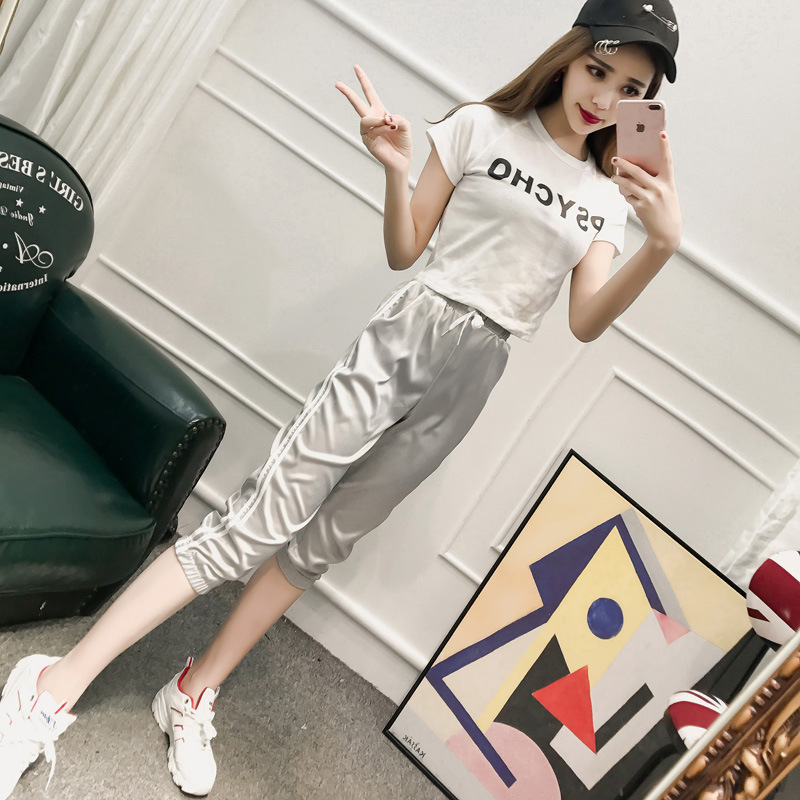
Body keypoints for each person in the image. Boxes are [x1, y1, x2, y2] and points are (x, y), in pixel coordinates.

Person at [0, 0, 681, 796]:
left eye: (631, 90)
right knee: (252, 527)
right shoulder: (481, 128)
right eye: (598, 69)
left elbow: (585, 320)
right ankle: (50, 687)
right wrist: (396, 170)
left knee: (321, 545)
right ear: (568, 57)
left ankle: (192, 690)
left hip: (475, 374)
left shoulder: (607, 197)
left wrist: (661, 246)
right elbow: (405, 249)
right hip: (408, 337)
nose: (605, 98)